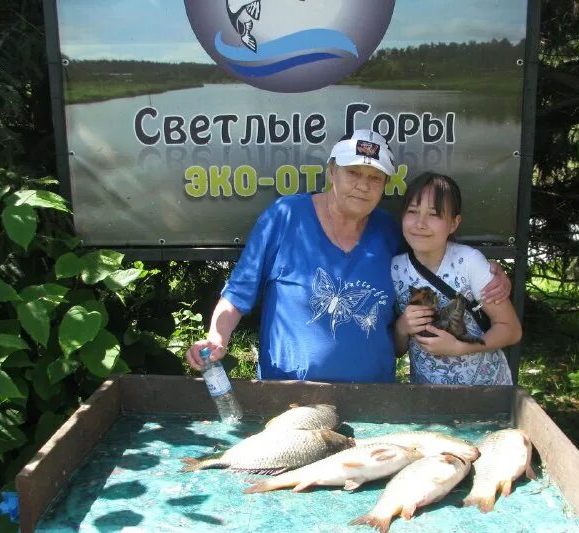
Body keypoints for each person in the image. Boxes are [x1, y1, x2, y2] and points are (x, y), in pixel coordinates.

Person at [186, 130, 511, 383]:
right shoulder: (285, 216)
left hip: (373, 398)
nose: (363, 186)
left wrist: (490, 274)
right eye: (353, 173)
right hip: (288, 394)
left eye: (374, 178)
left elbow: (434, 261)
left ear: (385, 184)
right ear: (331, 172)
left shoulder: (390, 230)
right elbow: (239, 293)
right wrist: (218, 337)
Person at [392, 172, 522, 385]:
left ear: (454, 223)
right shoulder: (395, 269)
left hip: (486, 393)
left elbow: (511, 329)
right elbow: (397, 350)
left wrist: (460, 347)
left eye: (433, 214)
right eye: (413, 211)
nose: (420, 223)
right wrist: (402, 327)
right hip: (428, 398)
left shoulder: (469, 262)